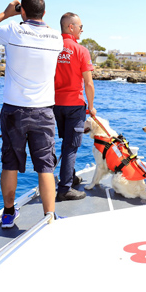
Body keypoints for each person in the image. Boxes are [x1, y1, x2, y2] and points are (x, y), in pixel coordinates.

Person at [0, 0, 63, 227]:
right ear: (44, 12)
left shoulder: (12, 30)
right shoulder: (57, 38)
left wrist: (5, 13)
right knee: (45, 165)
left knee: (10, 162)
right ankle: (49, 217)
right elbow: (43, 24)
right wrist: (29, 13)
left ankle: (9, 214)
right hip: (43, 110)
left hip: (14, 110)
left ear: (21, 10)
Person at [54, 12, 96, 201]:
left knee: (65, 143)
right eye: (80, 26)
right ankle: (64, 189)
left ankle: (69, 176)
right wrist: (92, 106)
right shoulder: (81, 50)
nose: (82, 29)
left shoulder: (52, 47)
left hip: (55, 105)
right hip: (74, 105)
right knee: (71, 146)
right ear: (71, 27)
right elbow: (88, 83)